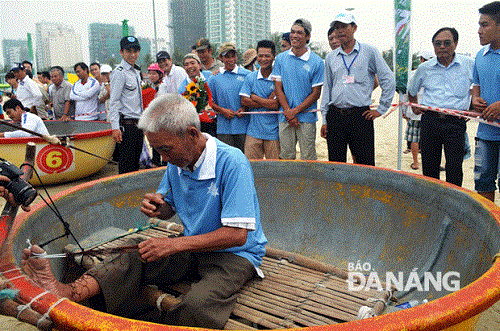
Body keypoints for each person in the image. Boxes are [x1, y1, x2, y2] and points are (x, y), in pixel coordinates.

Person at [21, 94, 267, 329]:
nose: (162, 157)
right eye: (157, 149)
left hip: (235, 254)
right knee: (135, 255)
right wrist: (160, 208)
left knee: (197, 306)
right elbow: (168, 207)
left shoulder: (232, 162)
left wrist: (174, 245)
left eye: (166, 149)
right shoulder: (176, 159)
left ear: (193, 134)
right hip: (193, 246)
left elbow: (237, 235)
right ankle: (68, 292)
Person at [320, 12, 395, 166]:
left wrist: (381, 109)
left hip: (360, 116)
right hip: (336, 116)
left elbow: (387, 78)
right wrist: (325, 119)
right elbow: (327, 88)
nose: (340, 31)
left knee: (365, 164)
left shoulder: (369, 52)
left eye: (344, 27)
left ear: (354, 28)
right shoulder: (331, 58)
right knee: (335, 164)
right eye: (337, 28)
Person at [408, 27, 474, 187]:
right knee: (430, 169)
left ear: (456, 44)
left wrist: (472, 108)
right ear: (433, 46)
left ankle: (453, 206)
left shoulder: (470, 65)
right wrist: (415, 106)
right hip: (430, 122)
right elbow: (411, 90)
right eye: (438, 44)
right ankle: (431, 206)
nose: (442, 47)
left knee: (454, 168)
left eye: (447, 43)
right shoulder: (425, 68)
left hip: (455, 124)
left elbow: (478, 87)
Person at [272, 18, 324, 160]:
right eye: (292, 32)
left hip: (306, 118)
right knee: (286, 157)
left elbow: (316, 94)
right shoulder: (280, 59)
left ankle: (309, 183)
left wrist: (294, 112)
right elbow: (278, 88)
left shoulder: (317, 62)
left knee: (308, 157)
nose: (294, 36)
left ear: (307, 37)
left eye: (299, 33)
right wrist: (288, 112)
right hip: (285, 117)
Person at [471, 1, 500, 201]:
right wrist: (475, 98)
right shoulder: (480, 56)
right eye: (479, 24)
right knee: (483, 183)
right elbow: (476, 84)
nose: (479, 30)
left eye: (485, 25)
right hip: (485, 133)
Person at [109, 36, 144, 174]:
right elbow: (114, 102)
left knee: (135, 163)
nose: (132, 54)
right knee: (126, 165)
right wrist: (115, 127)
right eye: (128, 51)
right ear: (121, 52)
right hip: (127, 126)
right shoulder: (120, 73)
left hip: (138, 125)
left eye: (135, 50)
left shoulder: (136, 71)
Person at [240, 40, 280, 159]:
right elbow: (244, 101)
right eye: (260, 55)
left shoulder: (278, 78)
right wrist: (267, 102)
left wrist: (254, 97)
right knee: (252, 169)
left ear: (273, 57)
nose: (263, 59)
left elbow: (275, 105)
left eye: (267, 56)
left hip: (274, 133)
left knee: (275, 171)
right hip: (253, 132)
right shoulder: (251, 77)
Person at [208, 42, 251, 152]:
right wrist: (222, 110)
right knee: (227, 158)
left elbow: (252, 97)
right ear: (221, 58)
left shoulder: (247, 75)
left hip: (244, 126)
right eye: (227, 56)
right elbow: (209, 102)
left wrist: (245, 108)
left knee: (244, 157)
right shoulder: (214, 78)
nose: (231, 59)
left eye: (233, 56)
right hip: (224, 129)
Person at [402, 51, 432, 170]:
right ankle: (428, 163)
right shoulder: (434, 73)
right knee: (429, 140)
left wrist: (404, 110)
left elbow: (406, 94)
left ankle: (416, 162)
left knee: (414, 138)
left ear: (421, 60)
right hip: (429, 112)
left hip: (414, 112)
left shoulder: (413, 74)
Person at [178, 53, 216, 137]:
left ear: (199, 65)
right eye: (186, 64)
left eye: (192, 63)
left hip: (214, 121)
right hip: (196, 124)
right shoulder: (182, 87)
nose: (190, 66)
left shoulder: (211, 76)